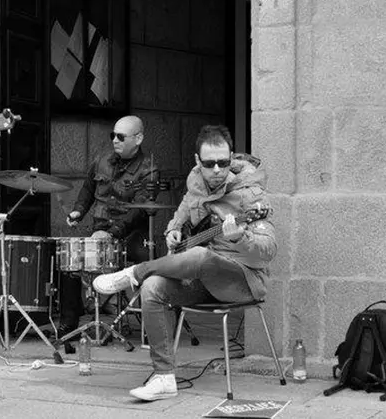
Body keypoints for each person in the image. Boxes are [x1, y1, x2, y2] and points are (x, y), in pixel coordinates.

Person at [92, 125, 276, 401]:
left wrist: (241, 238)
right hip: (203, 281)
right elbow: (178, 219)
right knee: (153, 287)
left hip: (242, 280)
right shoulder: (196, 187)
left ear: (231, 158)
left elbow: (268, 251)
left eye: (223, 162)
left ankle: (134, 273)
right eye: (209, 164)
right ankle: (164, 377)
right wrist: (173, 231)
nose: (217, 169)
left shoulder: (252, 196)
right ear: (197, 161)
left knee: (201, 256)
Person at [57, 115, 158, 340]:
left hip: (131, 232)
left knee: (149, 260)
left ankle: (150, 325)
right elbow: (87, 189)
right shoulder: (101, 160)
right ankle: (69, 324)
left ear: (138, 138)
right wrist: (78, 211)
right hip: (100, 228)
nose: (115, 140)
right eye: (113, 135)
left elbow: (139, 210)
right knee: (70, 258)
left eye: (121, 137)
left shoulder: (148, 169)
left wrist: (112, 233)